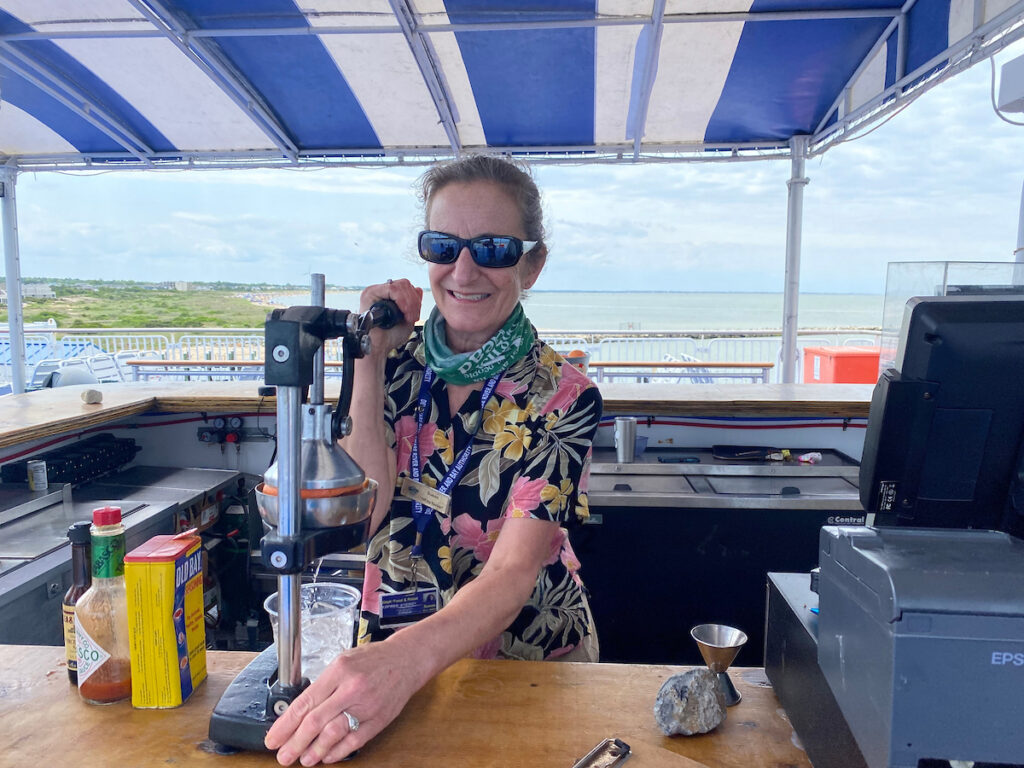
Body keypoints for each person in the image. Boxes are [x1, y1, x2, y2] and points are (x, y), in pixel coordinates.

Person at [265, 155, 603, 766]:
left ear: (533, 263)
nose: (464, 269)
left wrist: (401, 664)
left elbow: (511, 574)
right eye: (443, 245)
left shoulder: (564, 394)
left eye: (495, 248)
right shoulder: (395, 363)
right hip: (386, 664)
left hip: (521, 661)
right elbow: (363, 516)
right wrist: (367, 357)